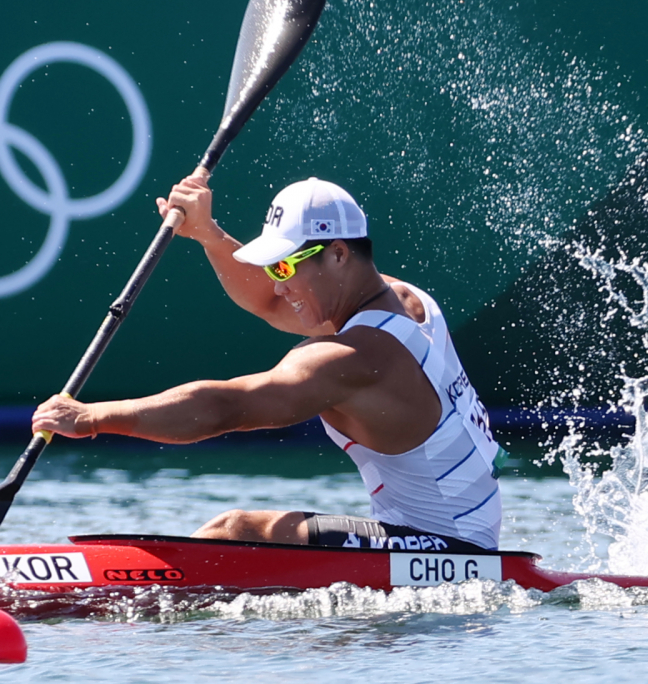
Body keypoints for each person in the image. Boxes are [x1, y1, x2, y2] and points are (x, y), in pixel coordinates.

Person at [32, 173, 506, 551]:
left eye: (284, 267)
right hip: (462, 531)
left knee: (235, 531)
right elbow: (270, 302)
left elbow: (226, 407)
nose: (278, 284)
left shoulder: (355, 360)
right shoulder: (402, 301)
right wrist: (207, 234)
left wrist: (93, 418)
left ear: (338, 255)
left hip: (448, 552)